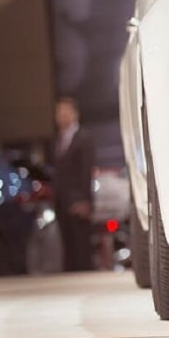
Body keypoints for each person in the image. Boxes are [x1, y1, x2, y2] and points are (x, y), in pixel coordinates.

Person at [52, 96, 94, 271]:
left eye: (65, 112)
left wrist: (85, 200)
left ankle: (84, 271)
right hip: (62, 200)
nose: (61, 116)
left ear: (74, 114)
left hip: (78, 199)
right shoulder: (59, 139)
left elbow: (86, 171)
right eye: (58, 113)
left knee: (80, 243)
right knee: (67, 243)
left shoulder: (83, 138)